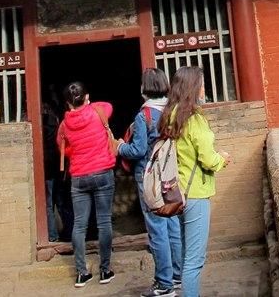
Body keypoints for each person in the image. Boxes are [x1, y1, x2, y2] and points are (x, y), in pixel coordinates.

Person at [158, 67, 230, 297]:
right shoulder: (194, 119)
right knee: (194, 260)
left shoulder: (169, 116)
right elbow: (208, 159)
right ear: (192, 88)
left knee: (186, 254)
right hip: (195, 195)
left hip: (176, 193)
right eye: (201, 84)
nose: (204, 89)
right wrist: (222, 159)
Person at [117, 69, 182, 297]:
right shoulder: (172, 110)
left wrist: (118, 147)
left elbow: (138, 150)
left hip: (149, 177)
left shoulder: (144, 115)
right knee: (172, 222)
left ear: (145, 88)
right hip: (169, 174)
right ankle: (176, 276)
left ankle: (164, 285)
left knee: (156, 230)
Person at [57, 82, 116, 287]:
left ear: (67, 103)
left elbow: (64, 149)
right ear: (87, 97)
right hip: (103, 173)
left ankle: (82, 273)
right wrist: (88, 103)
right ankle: (105, 270)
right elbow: (108, 106)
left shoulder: (64, 125)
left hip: (79, 177)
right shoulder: (99, 111)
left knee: (79, 225)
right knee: (104, 222)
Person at [42, 100, 61, 242]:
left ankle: (53, 235)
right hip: (57, 165)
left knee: (48, 204)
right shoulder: (56, 122)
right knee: (61, 201)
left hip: (47, 167)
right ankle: (68, 231)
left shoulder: (41, 125)